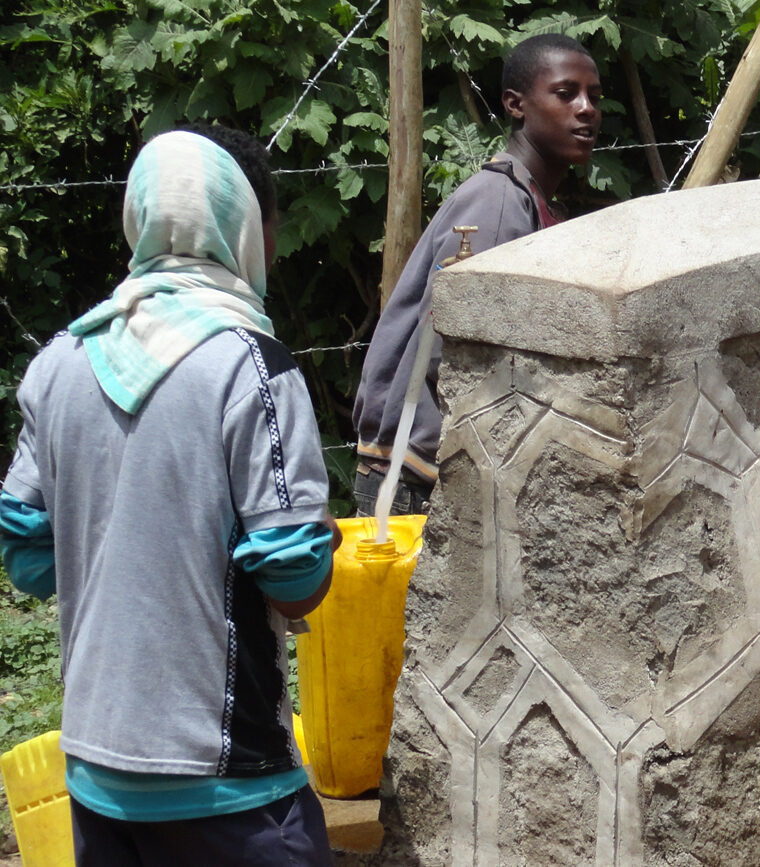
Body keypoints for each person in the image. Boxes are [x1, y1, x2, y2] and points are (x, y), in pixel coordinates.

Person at [0, 126, 336, 865]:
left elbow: (26, 551)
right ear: (250, 228)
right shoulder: (251, 365)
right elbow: (295, 573)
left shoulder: (59, 360)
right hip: (227, 780)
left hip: (95, 769)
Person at [352, 33, 603, 515]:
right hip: (421, 477)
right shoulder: (500, 204)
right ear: (515, 104)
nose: (586, 108)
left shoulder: (530, 199)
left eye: (594, 96)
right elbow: (460, 352)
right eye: (566, 93)